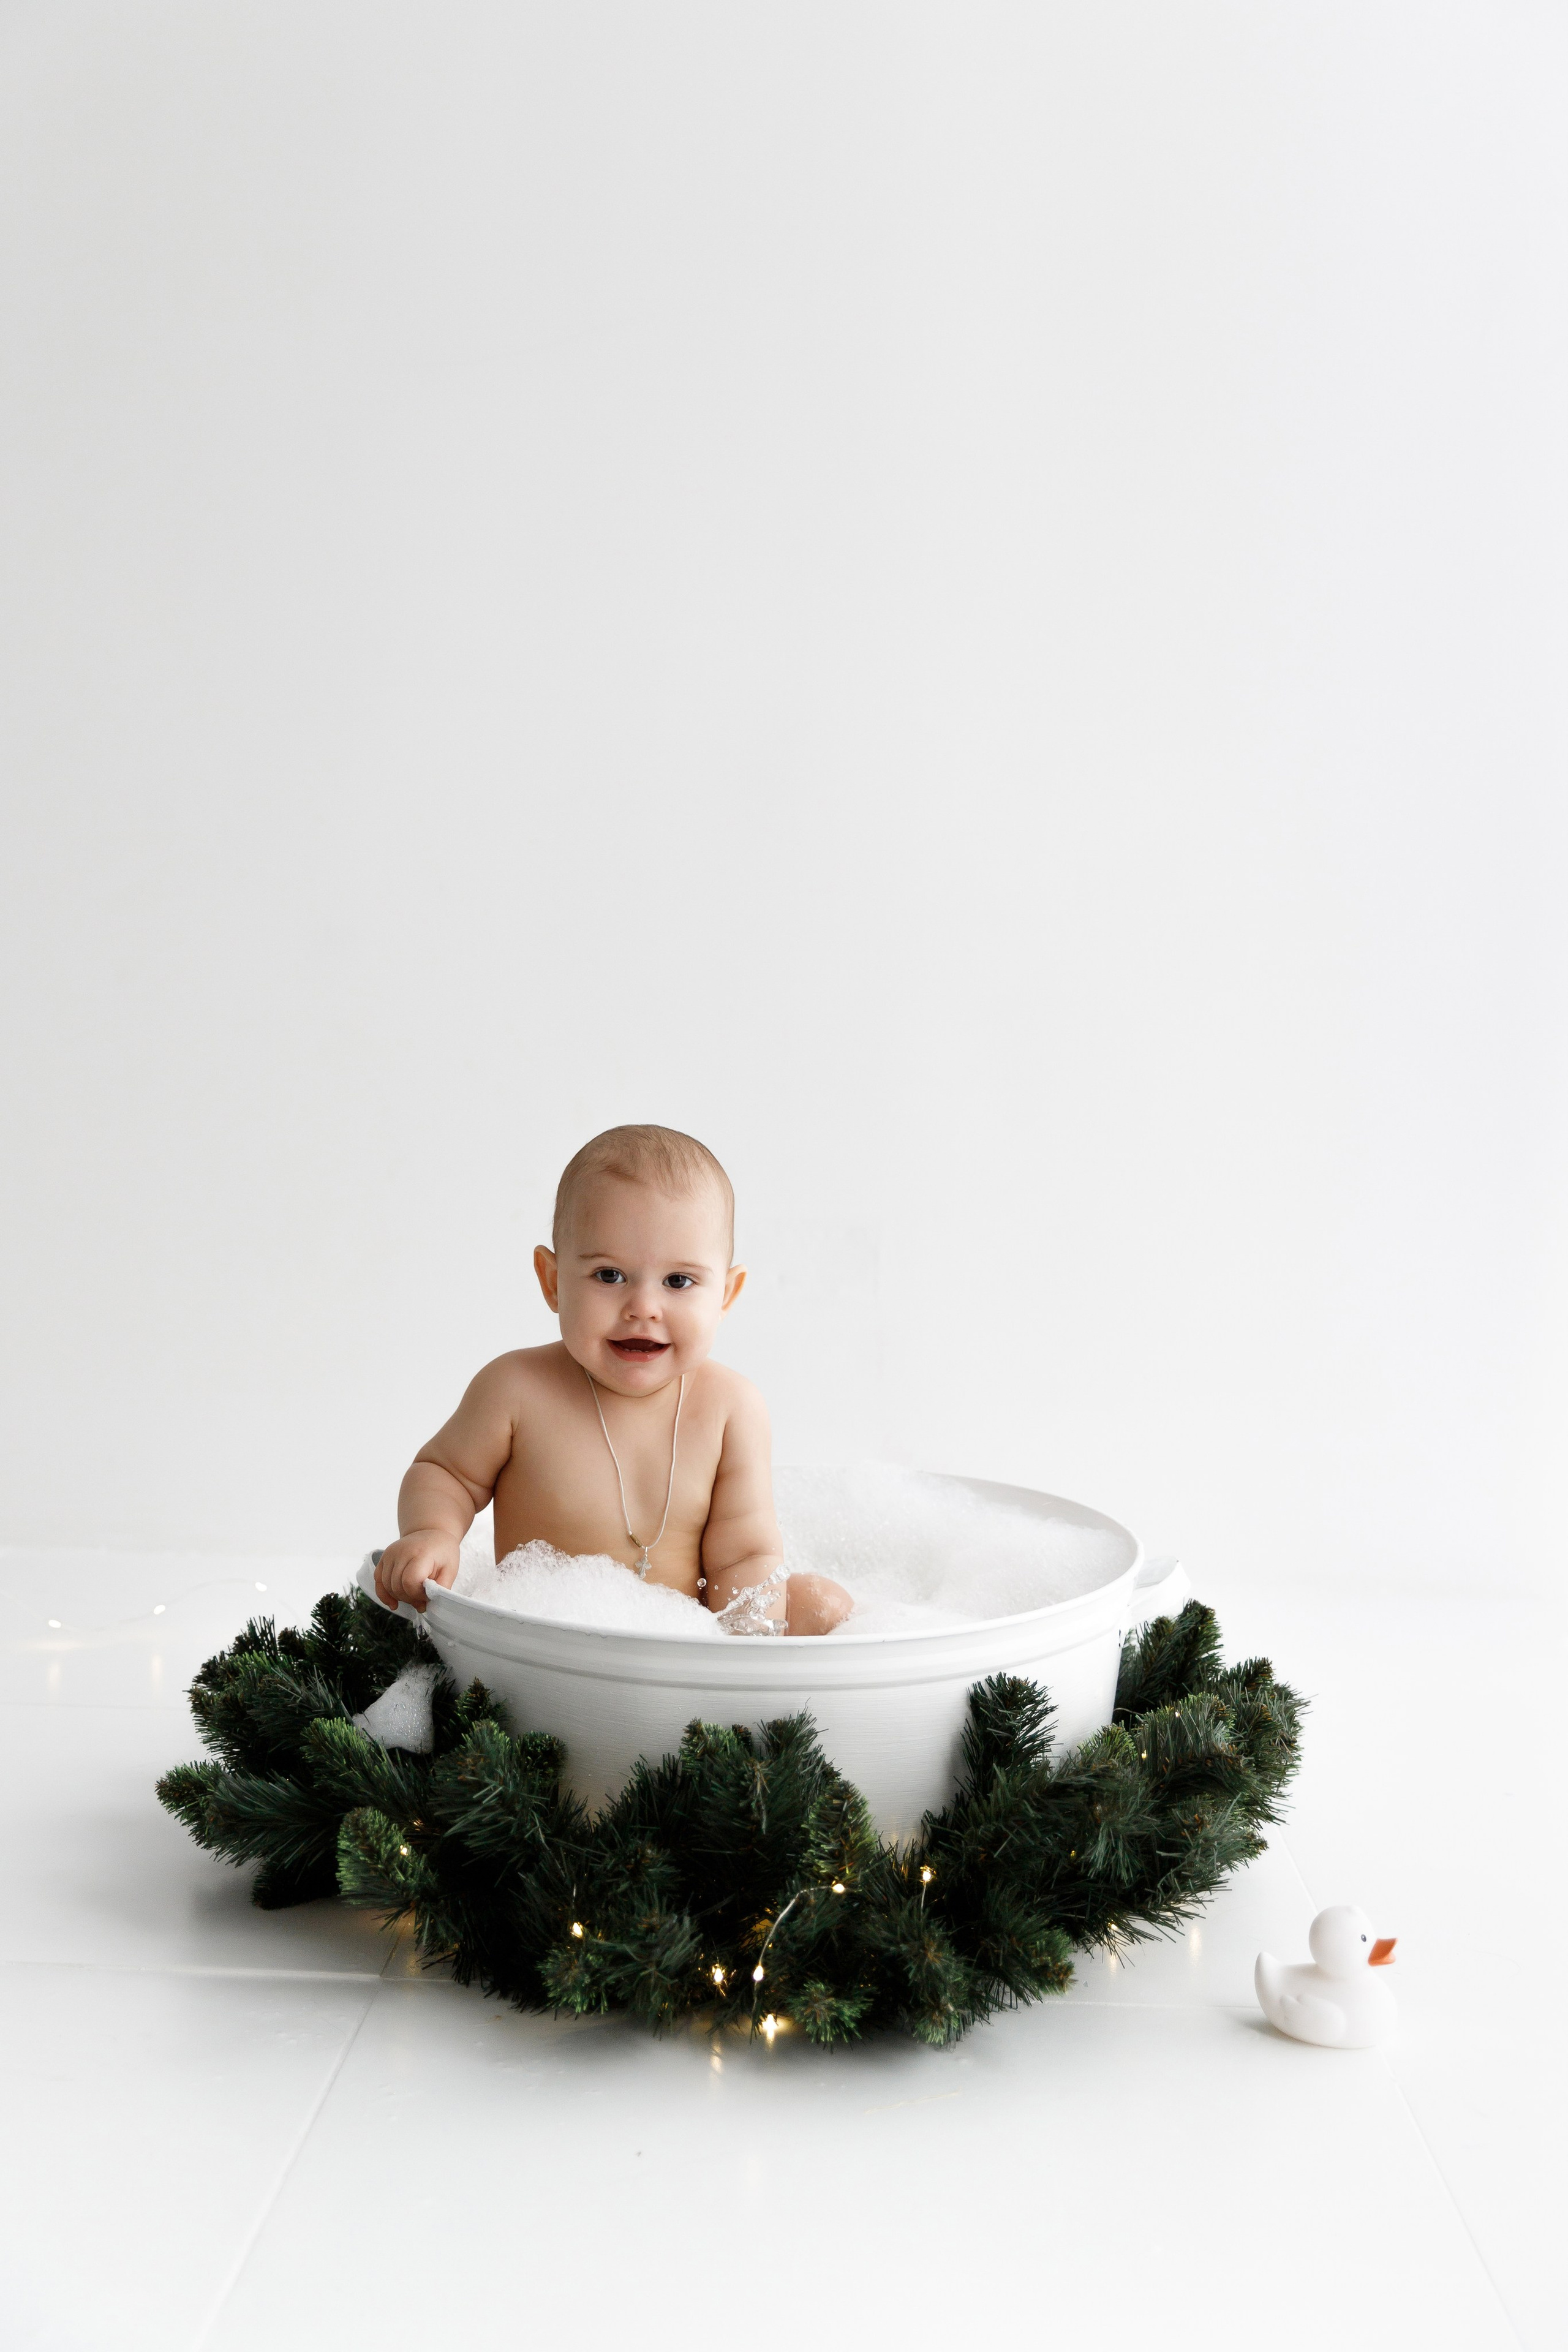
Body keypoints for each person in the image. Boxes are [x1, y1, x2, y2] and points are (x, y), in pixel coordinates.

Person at [372, 1125, 852, 1635]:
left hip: (684, 1639)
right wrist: (433, 1532)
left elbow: (747, 1552)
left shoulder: (731, 1407)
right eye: (609, 1276)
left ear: (726, 1296)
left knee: (821, 1605)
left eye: (678, 1281)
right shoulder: (516, 1390)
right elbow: (446, 1473)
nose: (643, 1308)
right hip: (554, 1636)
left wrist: (744, 1649)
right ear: (553, 1282)